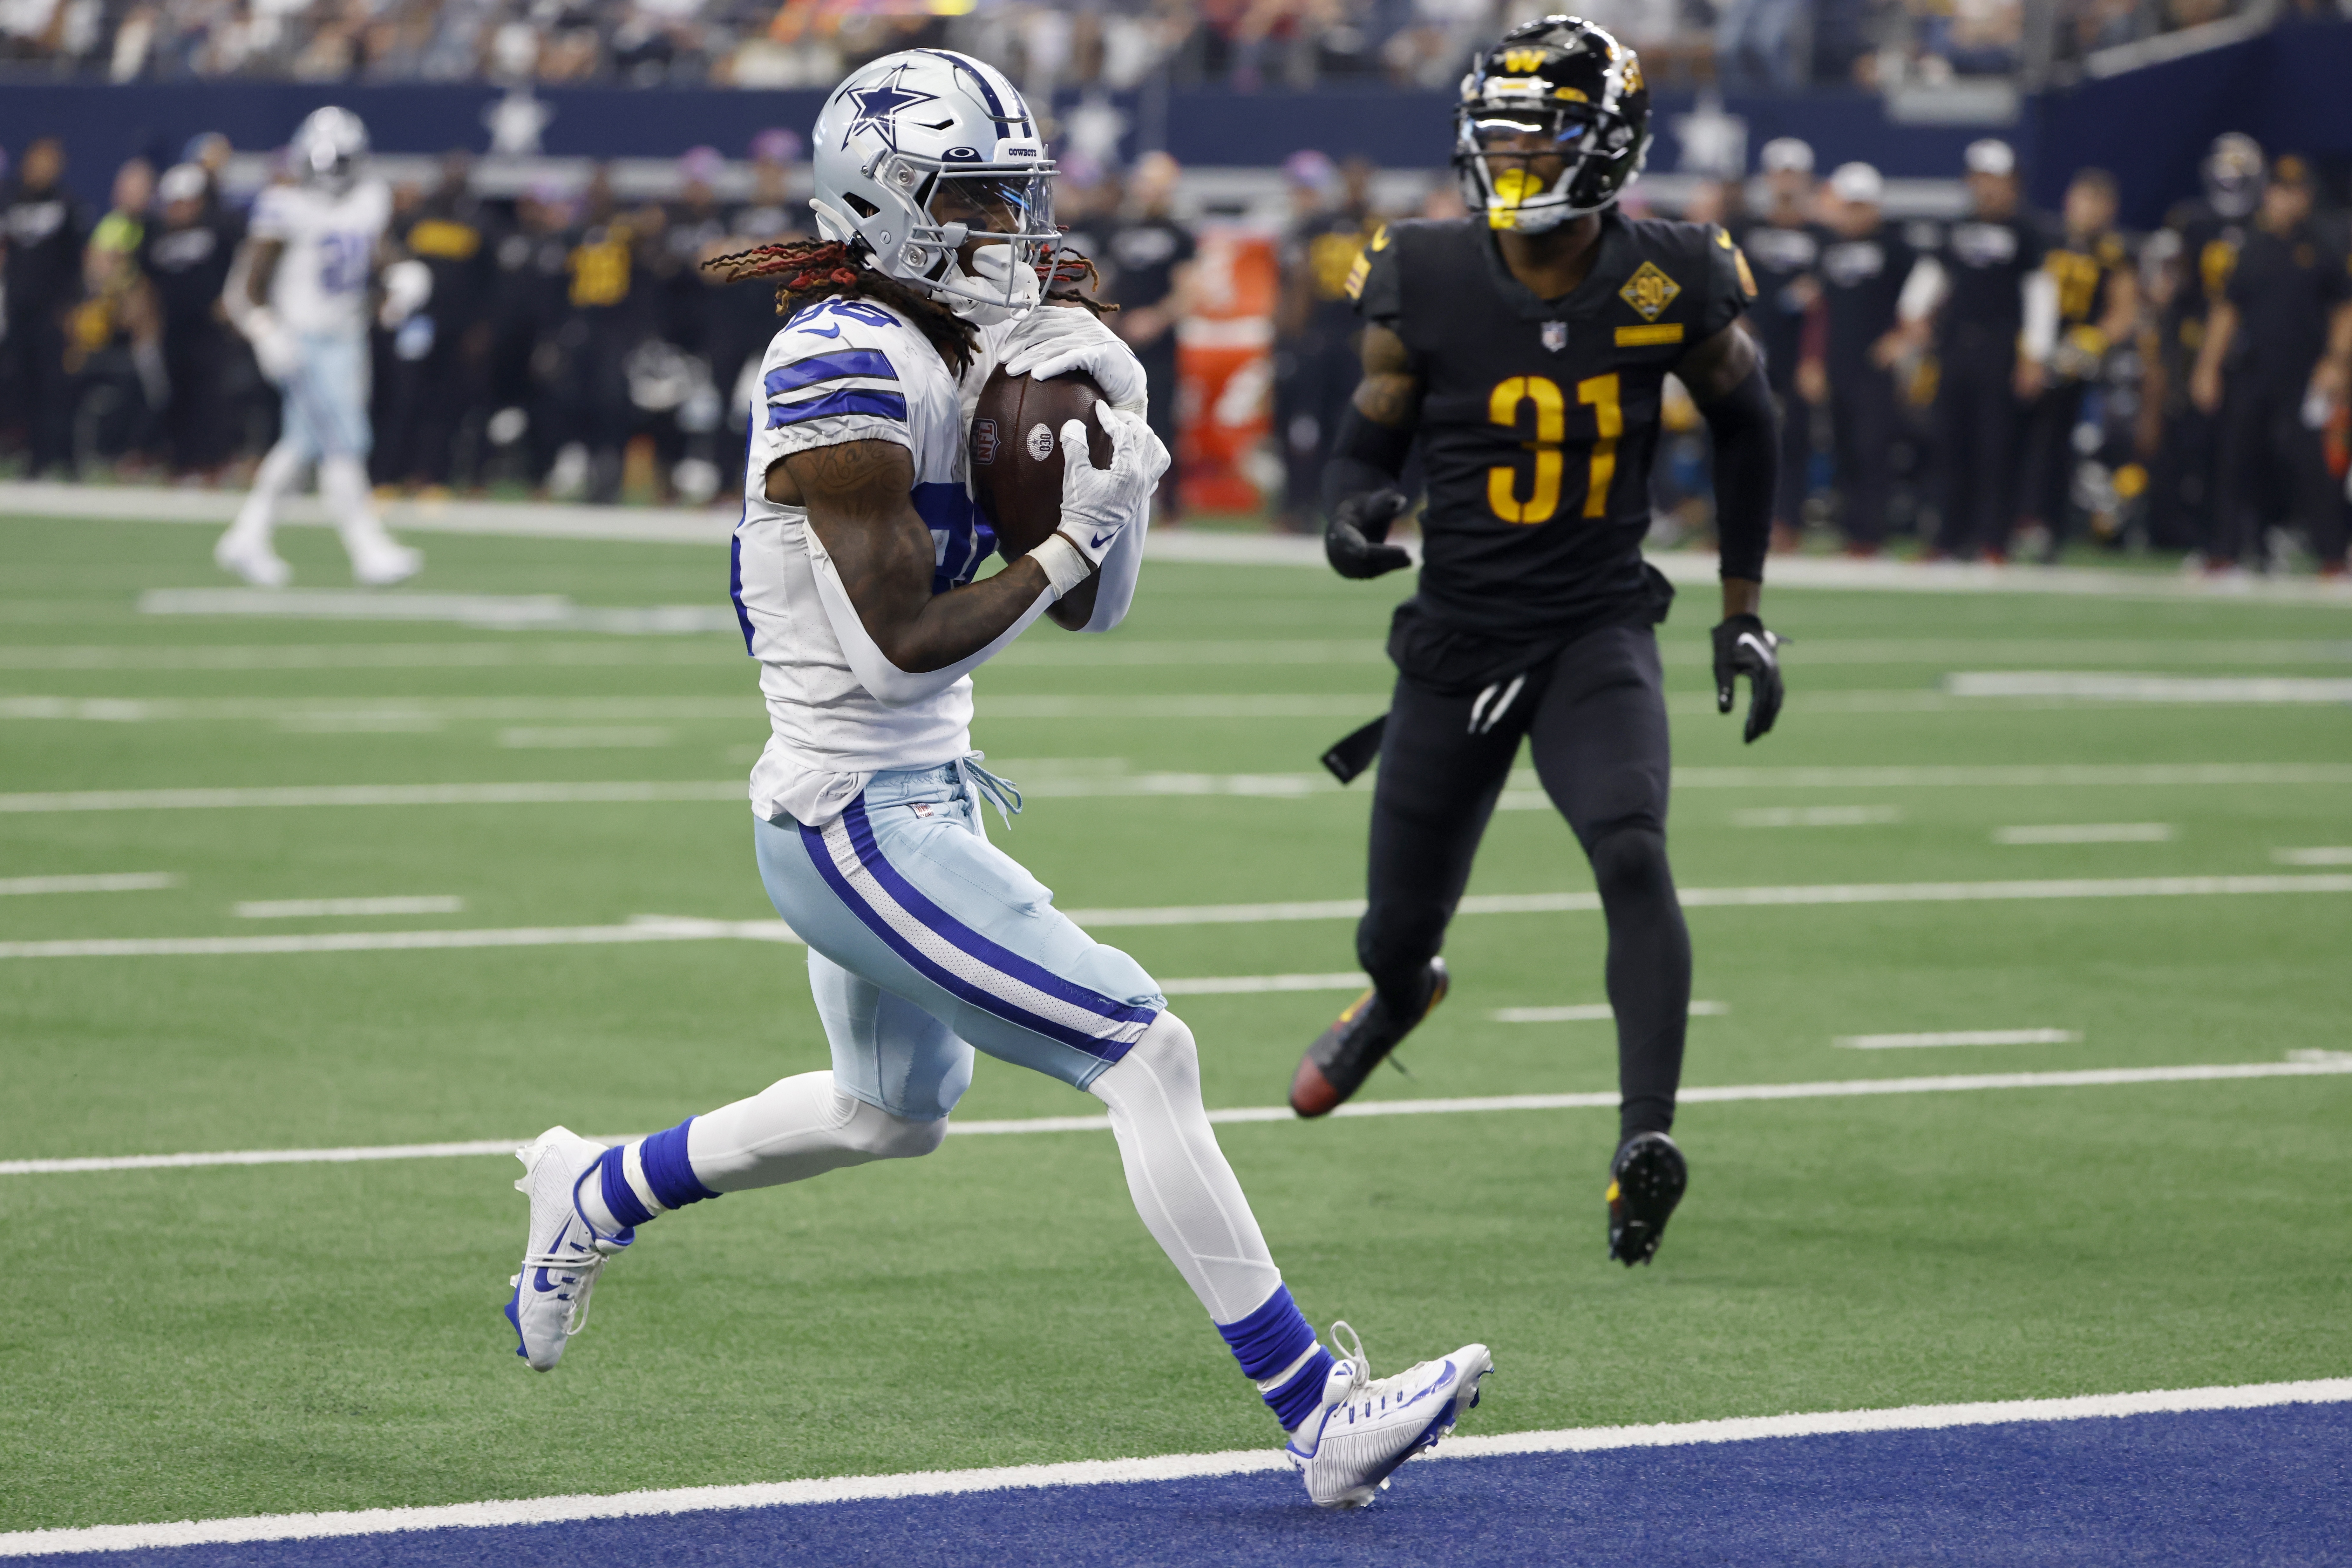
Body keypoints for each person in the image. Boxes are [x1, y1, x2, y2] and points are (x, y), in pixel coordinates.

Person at [501, 49, 1492, 1513]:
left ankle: (596, 1188)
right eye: (977, 199)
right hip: (850, 811)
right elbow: (904, 645)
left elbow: (1091, 612)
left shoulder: (962, 340)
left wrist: (1114, 451)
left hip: (918, 791)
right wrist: (1075, 535)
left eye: (1014, 198)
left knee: (885, 1110)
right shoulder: (837, 355)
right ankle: (1317, 1410)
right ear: (888, 205)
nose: (1010, 232)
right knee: (1143, 1048)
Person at [1289, 17, 1785, 1270]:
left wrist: (1738, 609)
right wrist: (1350, 517)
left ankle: (1642, 1141)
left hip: (1589, 630)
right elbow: (1365, 443)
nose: (1511, 163)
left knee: (1629, 846)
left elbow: (1746, 419)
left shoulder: (1670, 271)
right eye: (1497, 138)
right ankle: (1403, 995)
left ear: (1607, 145)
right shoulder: (1423, 273)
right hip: (1454, 643)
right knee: (1391, 930)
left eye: (1538, 138)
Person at [215, 108, 421, 587]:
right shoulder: (284, 206)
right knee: (342, 441)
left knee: (303, 444)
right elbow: (242, 288)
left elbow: (377, 254)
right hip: (302, 341)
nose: (331, 175)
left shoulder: (370, 198)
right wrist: (266, 331)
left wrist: (402, 277)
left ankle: (247, 536)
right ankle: (367, 548)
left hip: (347, 339)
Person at [2189, 156, 2352, 577]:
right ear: (2268, 194)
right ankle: (2224, 553)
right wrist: (2207, 366)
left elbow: (2343, 310)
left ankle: (2332, 556)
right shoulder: (2250, 245)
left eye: (2295, 192)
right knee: (2235, 457)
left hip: (2304, 369)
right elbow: (2226, 309)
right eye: (2280, 191)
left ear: (2307, 198)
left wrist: (2336, 362)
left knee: (2311, 462)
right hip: (2252, 367)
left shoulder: (2322, 244)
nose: (2286, 200)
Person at [1910, 139, 2044, 562]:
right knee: (1949, 443)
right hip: (1954, 345)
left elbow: (2041, 294)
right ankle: (1948, 539)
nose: (1987, 189)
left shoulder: (2026, 233)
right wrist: (1911, 315)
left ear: (2013, 185)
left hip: (2000, 347)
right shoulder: (1955, 228)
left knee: (1994, 448)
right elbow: (1930, 278)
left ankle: (1991, 541)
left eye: (1996, 180)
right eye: (1981, 179)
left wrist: (2034, 354)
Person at [2150, 134, 2264, 564]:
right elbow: (2171, 292)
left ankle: (2251, 538)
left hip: (2254, 350)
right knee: (2199, 449)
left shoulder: (2263, 226)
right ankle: (2209, 539)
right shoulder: (2190, 223)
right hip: (2199, 349)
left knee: (2251, 451)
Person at [2017, 168, 2138, 560]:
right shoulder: (2045, 239)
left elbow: (2124, 311)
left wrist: (2093, 340)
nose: (2085, 211)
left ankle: (2049, 529)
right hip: (2031, 352)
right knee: (2014, 442)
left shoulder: (2113, 254)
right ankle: (2010, 523)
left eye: (2094, 203)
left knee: (2060, 448)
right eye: (2081, 200)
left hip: (2075, 362)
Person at [1803, 161, 1915, 554]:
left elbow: (1927, 292)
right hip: (1838, 363)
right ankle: (1850, 534)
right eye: (1847, 205)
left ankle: (1872, 535)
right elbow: (1821, 309)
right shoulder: (1829, 248)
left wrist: (1902, 338)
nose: (1853, 214)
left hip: (1876, 367)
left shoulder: (1896, 247)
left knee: (1873, 449)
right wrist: (1813, 360)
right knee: (1844, 449)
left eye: (1860, 206)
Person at [1733, 136, 1820, 545]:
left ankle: (1786, 523)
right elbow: (1721, 281)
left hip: (1798, 351)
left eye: (1793, 174)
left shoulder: (1822, 237)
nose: (1786, 182)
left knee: (1794, 437)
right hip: (1747, 346)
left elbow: (1827, 295)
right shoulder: (1743, 229)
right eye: (1780, 173)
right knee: (1738, 436)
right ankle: (1733, 522)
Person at [1105, 150, 1200, 516]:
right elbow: (1108, 283)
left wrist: (1156, 319)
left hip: (1159, 346)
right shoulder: (1119, 230)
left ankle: (1168, 504)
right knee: (1113, 419)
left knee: (1161, 422)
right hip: (1119, 342)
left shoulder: (1178, 235)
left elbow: (1188, 291)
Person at [139, 162, 240, 478]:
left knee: (209, 395)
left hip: (209, 328)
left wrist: (232, 303)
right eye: (174, 202)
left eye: (186, 201)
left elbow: (242, 267)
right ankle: (181, 463)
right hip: (172, 327)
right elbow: (147, 281)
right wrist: (148, 318)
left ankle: (212, 463)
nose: (180, 209)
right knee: (175, 394)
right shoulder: (156, 236)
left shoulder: (221, 229)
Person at [2, 138, 91, 479]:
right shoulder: (10, 202)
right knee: (22, 388)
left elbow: (75, 265)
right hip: (18, 311)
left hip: (54, 314)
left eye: (49, 162)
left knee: (57, 388)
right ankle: (35, 460)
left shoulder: (68, 205)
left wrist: (72, 311)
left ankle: (66, 461)